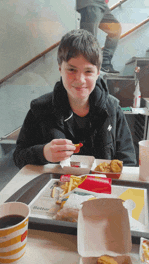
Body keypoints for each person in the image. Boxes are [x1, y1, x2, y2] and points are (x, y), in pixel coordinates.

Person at [13, 29, 136, 169]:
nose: (80, 80)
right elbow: (18, 157)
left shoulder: (113, 109)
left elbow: (128, 162)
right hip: (56, 187)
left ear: (98, 72)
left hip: (101, 188)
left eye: (88, 71)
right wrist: (44, 153)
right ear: (60, 68)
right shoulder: (40, 109)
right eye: (71, 70)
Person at [76, 0, 121, 74]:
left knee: (115, 29)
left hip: (102, 4)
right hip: (91, 2)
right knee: (89, 37)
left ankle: (105, 62)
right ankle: (86, 66)